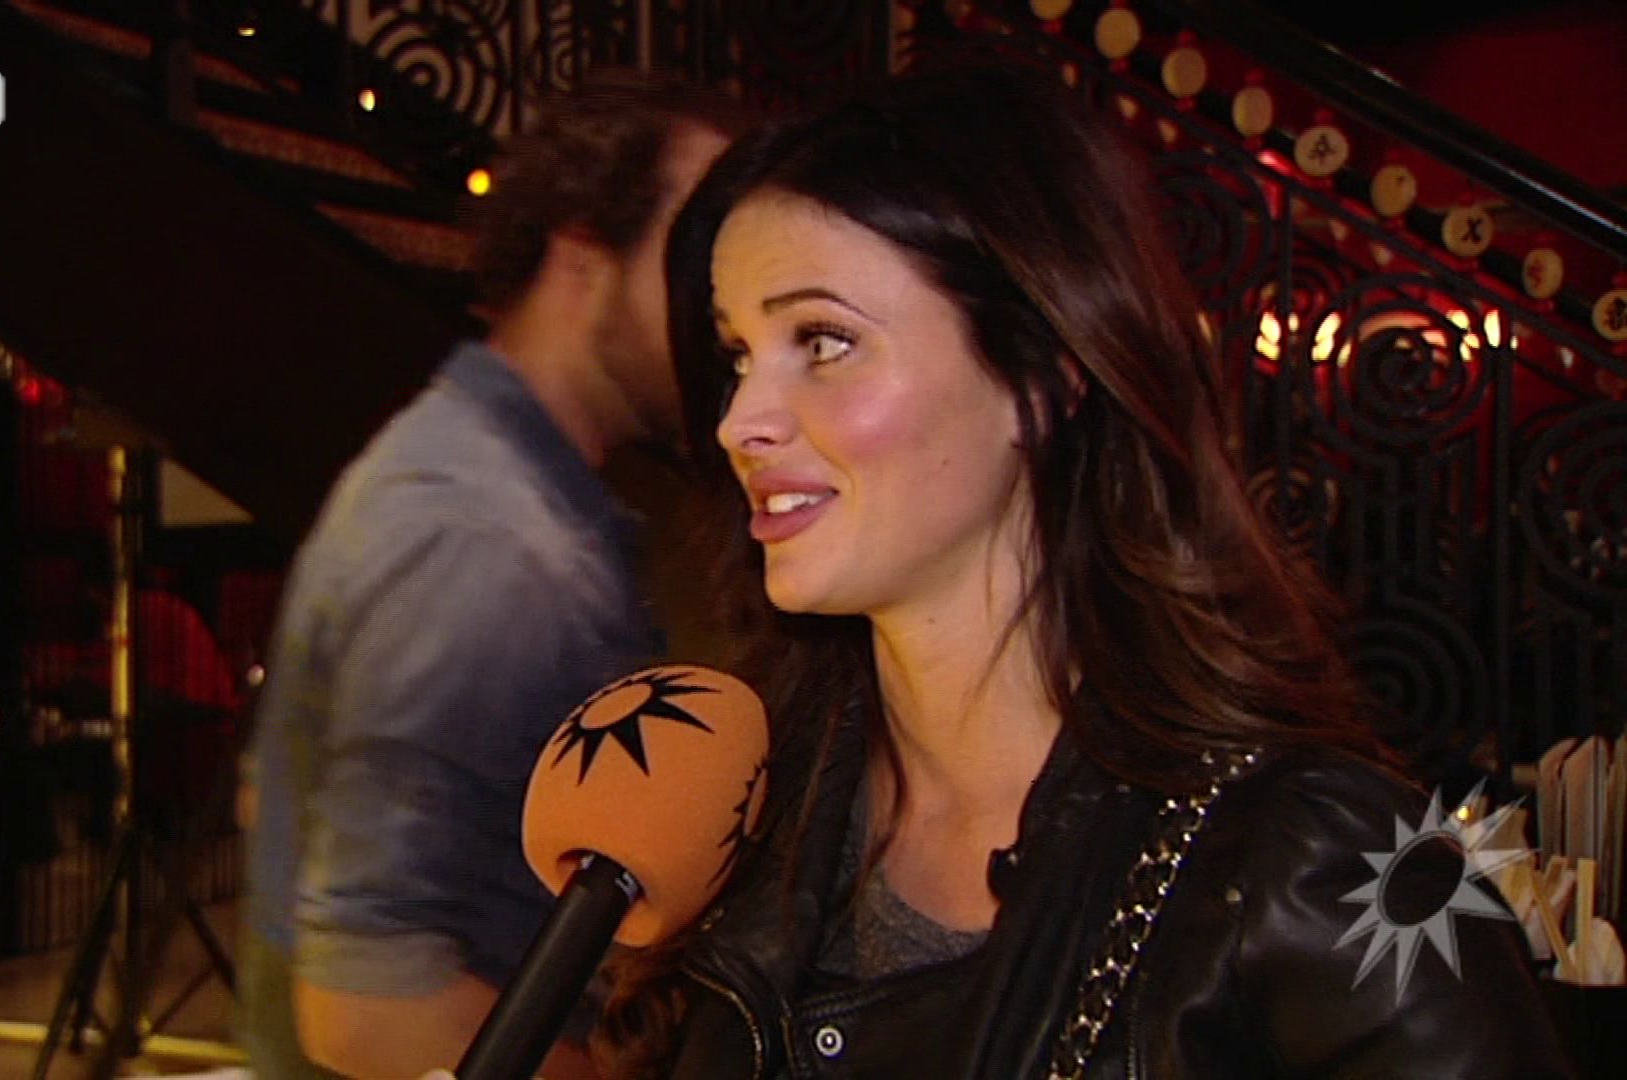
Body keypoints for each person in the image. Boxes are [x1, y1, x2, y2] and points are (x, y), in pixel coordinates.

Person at [594, 61, 1570, 1077]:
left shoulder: (1338, 858)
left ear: (1045, 369)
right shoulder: (741, 827)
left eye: (824, 341)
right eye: (738, 355)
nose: (741, 421)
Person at [242, 72, 739, 1079]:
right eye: (696, 264)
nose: (724, 318)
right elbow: (365, 1010)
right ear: (583, 263)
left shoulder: (505, 491)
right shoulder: (489, 540)